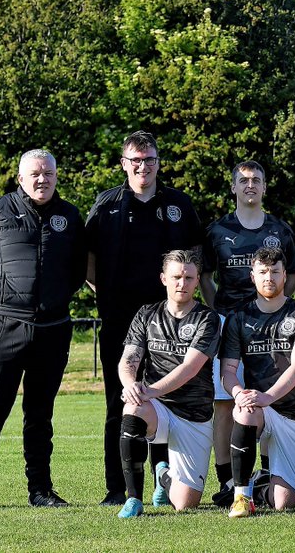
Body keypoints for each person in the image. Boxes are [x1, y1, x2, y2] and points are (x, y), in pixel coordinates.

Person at [0, 149, 86, 510]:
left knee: (40, 415)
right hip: (3, 328)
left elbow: (76, 274)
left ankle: (40, 490)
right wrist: (0, 304)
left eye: (48, 173)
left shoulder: (70, 217)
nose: (42, 179)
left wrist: (51, 301)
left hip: (52, 330)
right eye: (35, 174)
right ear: (21, 178)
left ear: (57, 176)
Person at [86, 131, 204, 505]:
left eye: (149, 159)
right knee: (120, 399)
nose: (143, 167)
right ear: (124, 163)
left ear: (158, 162)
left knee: (166, 397)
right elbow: (87, 263)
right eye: (135, 160)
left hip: (171, 323)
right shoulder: (106, 206)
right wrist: (105, 296)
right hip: (121, 321)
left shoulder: (179, 206)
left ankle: (162, 480)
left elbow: (197, 259)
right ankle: (116, 488)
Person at [200, 160, 295, 506]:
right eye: (243, 180)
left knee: (270, 394)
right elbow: (205, 277)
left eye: (256, 179)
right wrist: (219, 312)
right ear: (233, 187)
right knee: (227, 402)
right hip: (231, 325)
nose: (250, 185)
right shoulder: (216, 230)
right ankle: (228, 481)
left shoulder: (281, 230)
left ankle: (268, 473)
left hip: (272, 327)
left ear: (265, 186)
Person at [114, 250, 220, 517]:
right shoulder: (147, 314)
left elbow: (189, 368)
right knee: (132, 409)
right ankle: (134, 499)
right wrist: (131, 386)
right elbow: (129, 359)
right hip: (156, 408)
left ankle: (163, 474)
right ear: (163, 278)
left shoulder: (207, 319)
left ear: (197, 281)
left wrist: (147, 390)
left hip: (193, 415)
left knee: (185, 504)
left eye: (188, 277)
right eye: (176, 277)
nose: (181, 283)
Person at [220, 247, 295, 516]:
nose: (269, 277)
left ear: (285, 275)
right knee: (245, 408)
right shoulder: (238, 318)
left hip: (294, 413)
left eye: (275, 272)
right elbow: (228, 372)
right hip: (259, 408)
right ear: (252, 276)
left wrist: (268, 397)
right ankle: (241, 496)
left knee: (283, 502)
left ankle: (261, 483)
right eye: (262, 272)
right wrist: (239, 392)